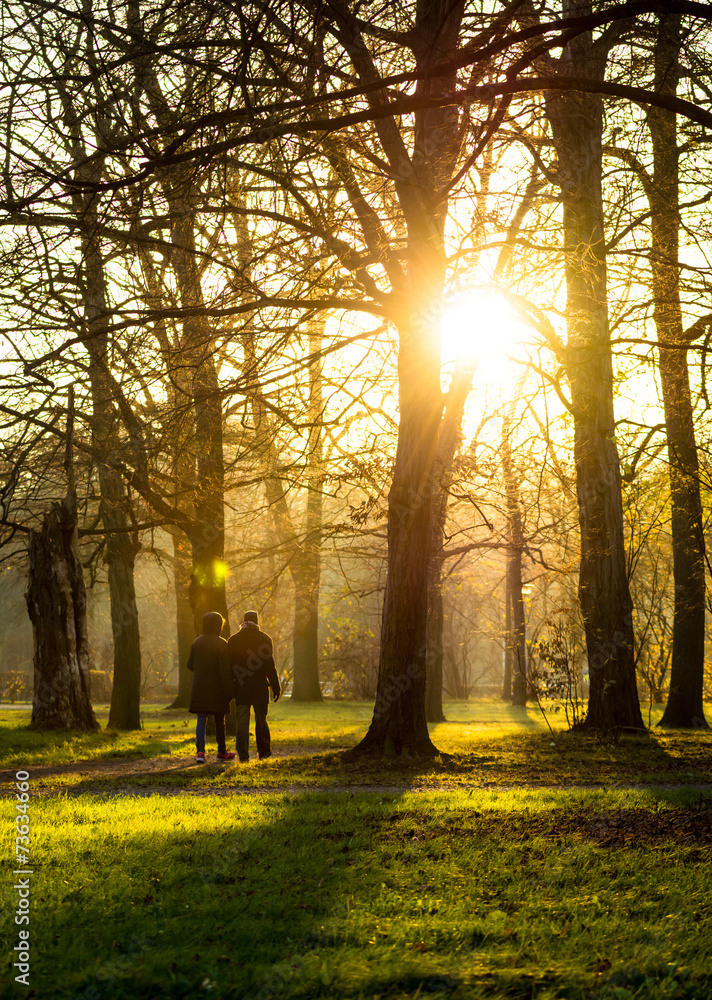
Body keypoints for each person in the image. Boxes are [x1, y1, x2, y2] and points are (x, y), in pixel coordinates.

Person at [227, 610, 281, 762]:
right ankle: (264, 752)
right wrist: (276, 687)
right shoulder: (264, 639)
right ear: (257, 621)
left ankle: (243, 755)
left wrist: (229, 687)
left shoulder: (233, 640)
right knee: (261, 720)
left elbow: (229, 666)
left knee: (242, 722)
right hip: (260, 687)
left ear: (243, 621)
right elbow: (270, 665)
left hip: (241, 687)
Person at [187, 611, 236, 763]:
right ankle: (221, 752)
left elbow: (190, 665)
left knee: (201, 719)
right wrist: (229, 692)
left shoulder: (197, 642)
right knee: (219, 720)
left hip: (199, 689)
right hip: (217, 689)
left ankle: (200, 752)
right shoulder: (222, 644)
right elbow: (225, 671)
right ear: (219, 625)